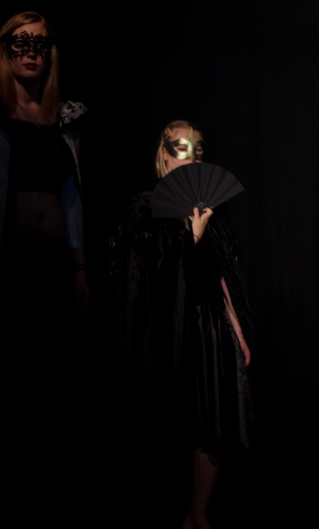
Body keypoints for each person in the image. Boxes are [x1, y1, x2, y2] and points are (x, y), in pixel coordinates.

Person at [111, 120, 253, 529]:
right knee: (184, 421)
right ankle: (182, 514)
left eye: (196, 148)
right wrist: (190, 234)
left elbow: (222, 275)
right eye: (179, 147)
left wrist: (237, 328)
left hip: (213, 326)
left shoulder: (213, 208)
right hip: (175, 329)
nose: (189, 155)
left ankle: (197, 514)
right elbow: (145, 278)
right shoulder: (147, 207)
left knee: (218, 422)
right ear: (164, 153)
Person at [0, 11, 90, 505]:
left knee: (53, 381)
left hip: (54, 266)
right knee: (12, 379)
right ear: (5, 50)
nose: (30, 52)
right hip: (8, 262)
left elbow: (73, 198)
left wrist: (79, 265)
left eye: (40, 44)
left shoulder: (65, 120)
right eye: (20, 42)